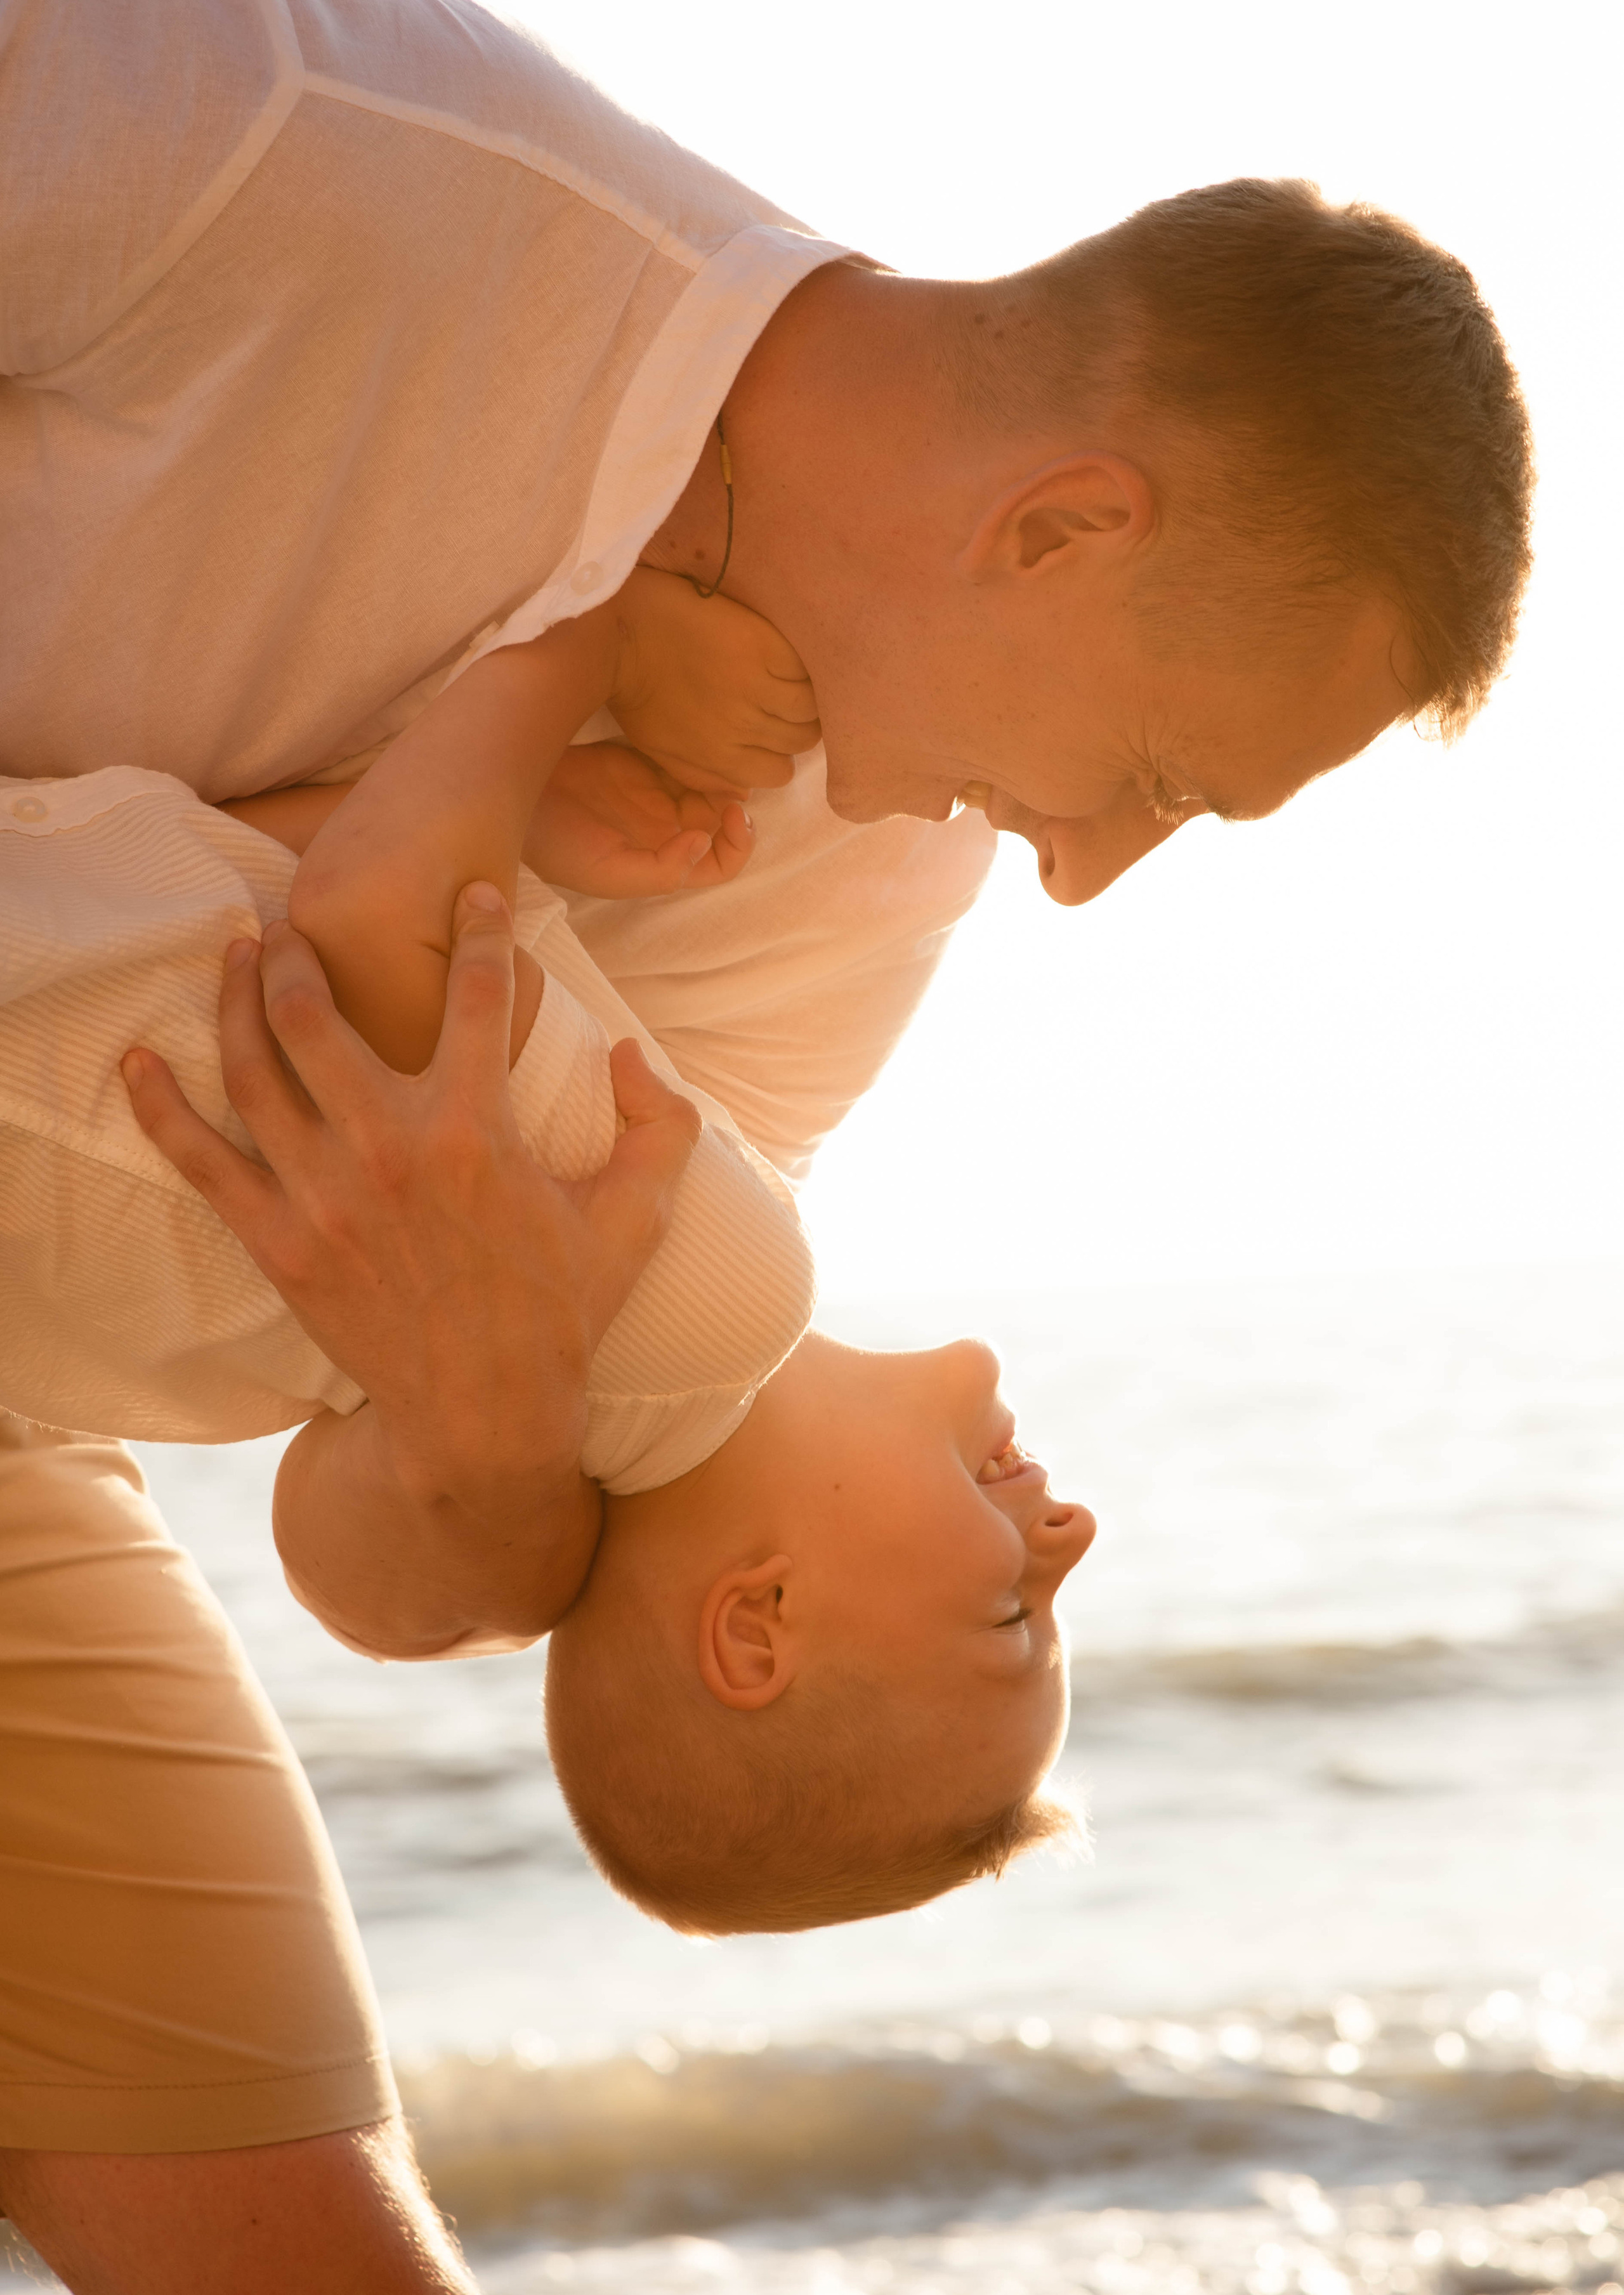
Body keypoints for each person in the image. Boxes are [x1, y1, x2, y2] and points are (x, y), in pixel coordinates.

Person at [0, 0, 1535, 2276]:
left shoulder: (857, 868)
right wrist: (556, 697)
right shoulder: (279, 129)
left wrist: (477, 1440)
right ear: (1061, 526)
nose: (1089, 873)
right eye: (1161, 774)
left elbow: (396, 1532)